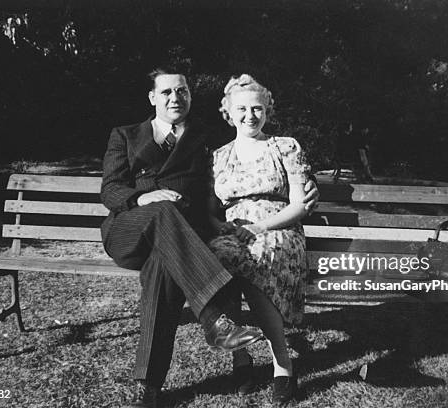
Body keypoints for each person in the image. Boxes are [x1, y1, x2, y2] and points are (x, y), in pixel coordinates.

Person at [100, 67, 319, 408]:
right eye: (168, 92)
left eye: (183, 91)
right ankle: (214, 318)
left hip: (176, 245)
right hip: (131, 230)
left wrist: (305, 190)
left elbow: (228, 177)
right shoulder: (126, 135)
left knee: (163, 267)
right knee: (162, 211)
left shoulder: (205, 139)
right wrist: (143, 198)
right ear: (152, 97)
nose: (176, 98)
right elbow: (111, 189)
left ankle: (150, 386)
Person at [207, 74, 310, 405]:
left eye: (257, 108)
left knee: (250, 259)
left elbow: (300, 205)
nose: (250, 115)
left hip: (278, 230)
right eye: (242, 109)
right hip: (233, 231)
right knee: (216, 255)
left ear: (267, 110)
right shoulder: (217, 157)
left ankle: (282, 364)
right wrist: (218, 226)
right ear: (228, 112)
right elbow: (208, 211)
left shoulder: (284, 147)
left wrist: (259, 227)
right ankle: (241, 357)